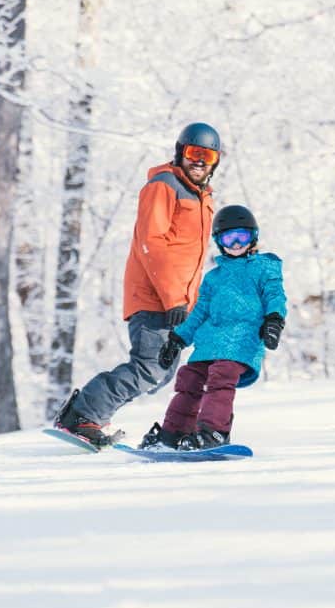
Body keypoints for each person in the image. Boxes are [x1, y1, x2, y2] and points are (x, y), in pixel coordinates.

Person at [54, 122, 221, 447]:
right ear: (180, 152)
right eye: (193, 153)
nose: (199, 162)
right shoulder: (164, 186)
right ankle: (82, 415)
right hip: (155, 299)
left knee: (160, 374)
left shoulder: (203, 197)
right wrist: (173, 297)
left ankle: (89, 415)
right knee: (149, 369)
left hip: (178, 304)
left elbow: (191, 260)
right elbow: (152, 244)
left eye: (207, 156)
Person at [138, 204, 287, 450]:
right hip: (209, 342)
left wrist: (274, 319)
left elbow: (275, 295)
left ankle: (213, 432)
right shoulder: (213, 278)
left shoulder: (265, 267)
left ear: (254, 238)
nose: (237, 244)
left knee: (221, 376)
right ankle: (174, 433)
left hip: (242, 339)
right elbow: (199, 313)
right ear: (219, 241)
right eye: (230, 238)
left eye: (243, 236)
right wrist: (178, 339)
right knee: (189, 379)